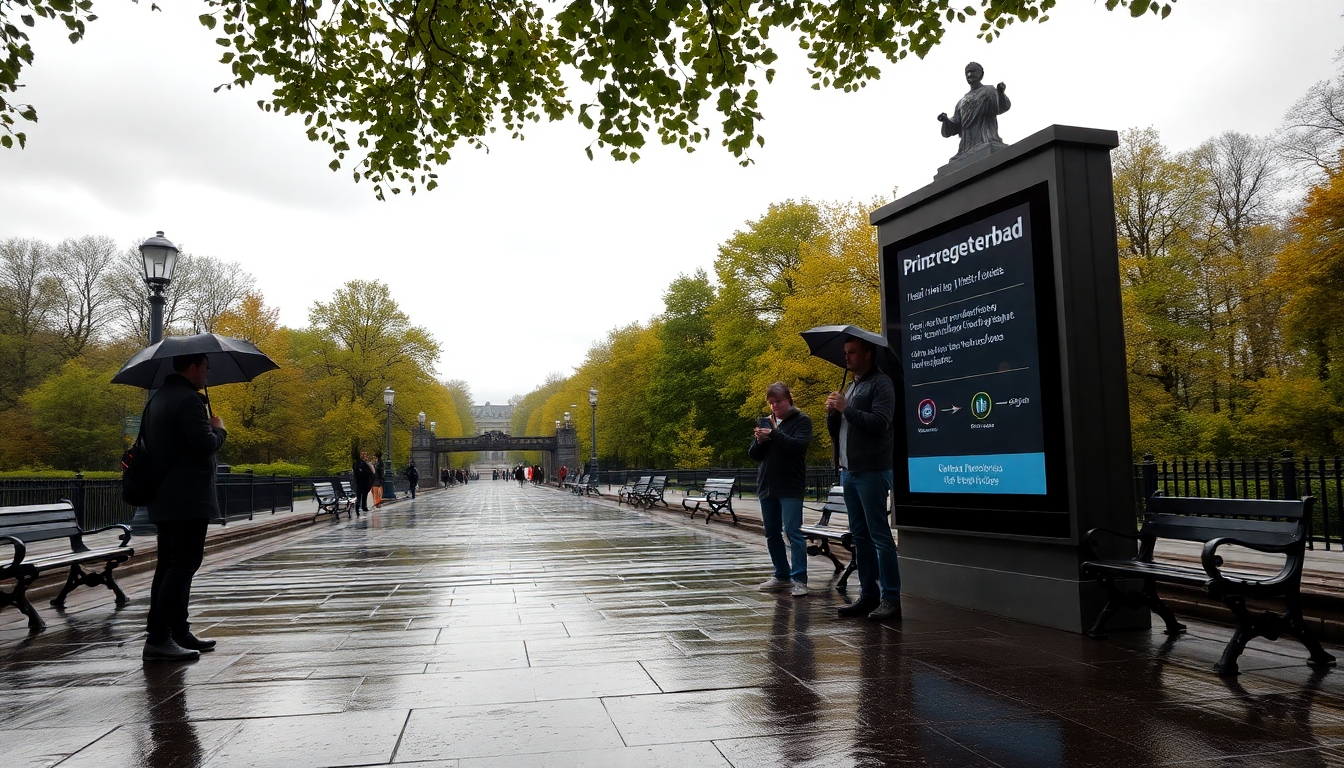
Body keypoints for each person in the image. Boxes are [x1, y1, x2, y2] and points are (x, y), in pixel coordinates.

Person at [142, 352, 227, 661]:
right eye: (206, 367)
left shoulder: (158, 399)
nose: (207, 374)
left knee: (168, 564)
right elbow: (204, 445)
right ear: (193, 367)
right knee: (183, 565)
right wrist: (218, 429)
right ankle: (159, 637)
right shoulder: (188, 400)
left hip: (164, 497)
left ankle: (177, 630)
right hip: (187, 498)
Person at [826, 337, 901, 621]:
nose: (846, 357)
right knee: (861, 536)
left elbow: (881, 423)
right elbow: (840, 431)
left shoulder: (881, 383)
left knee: (879, 536)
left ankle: (891, 597)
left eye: (852, 352)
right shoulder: (853, 385)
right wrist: (833, 414)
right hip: (849, 471)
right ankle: (868, 595)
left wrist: (847, 408)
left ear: (868, 355)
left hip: (871, 471)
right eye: (845, 353)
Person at [749, 382, 814, 598]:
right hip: (767, 484)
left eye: (779, 402)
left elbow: (798, 447)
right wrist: (760, 440)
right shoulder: (768, 421)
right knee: (772, 532)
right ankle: (781, 574)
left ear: (789, 399)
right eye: (772, 403)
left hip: (789, 485)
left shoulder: (801, 420)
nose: (775, 406)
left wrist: (775, 434)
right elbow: (754, 455)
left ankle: (799, 579)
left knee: (793, 531)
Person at [938, 61, 1010, 163]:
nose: (969, 75)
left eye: (972, 71)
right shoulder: (961, 102)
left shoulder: (989, 90)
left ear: (981, 74)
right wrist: (945, 120)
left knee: (985, 150)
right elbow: (956, 123)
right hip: (966, 145)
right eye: (967, 72)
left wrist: (1000, 93)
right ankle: (967, 151)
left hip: (985, 138)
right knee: (956, 162)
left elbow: (999, 108)